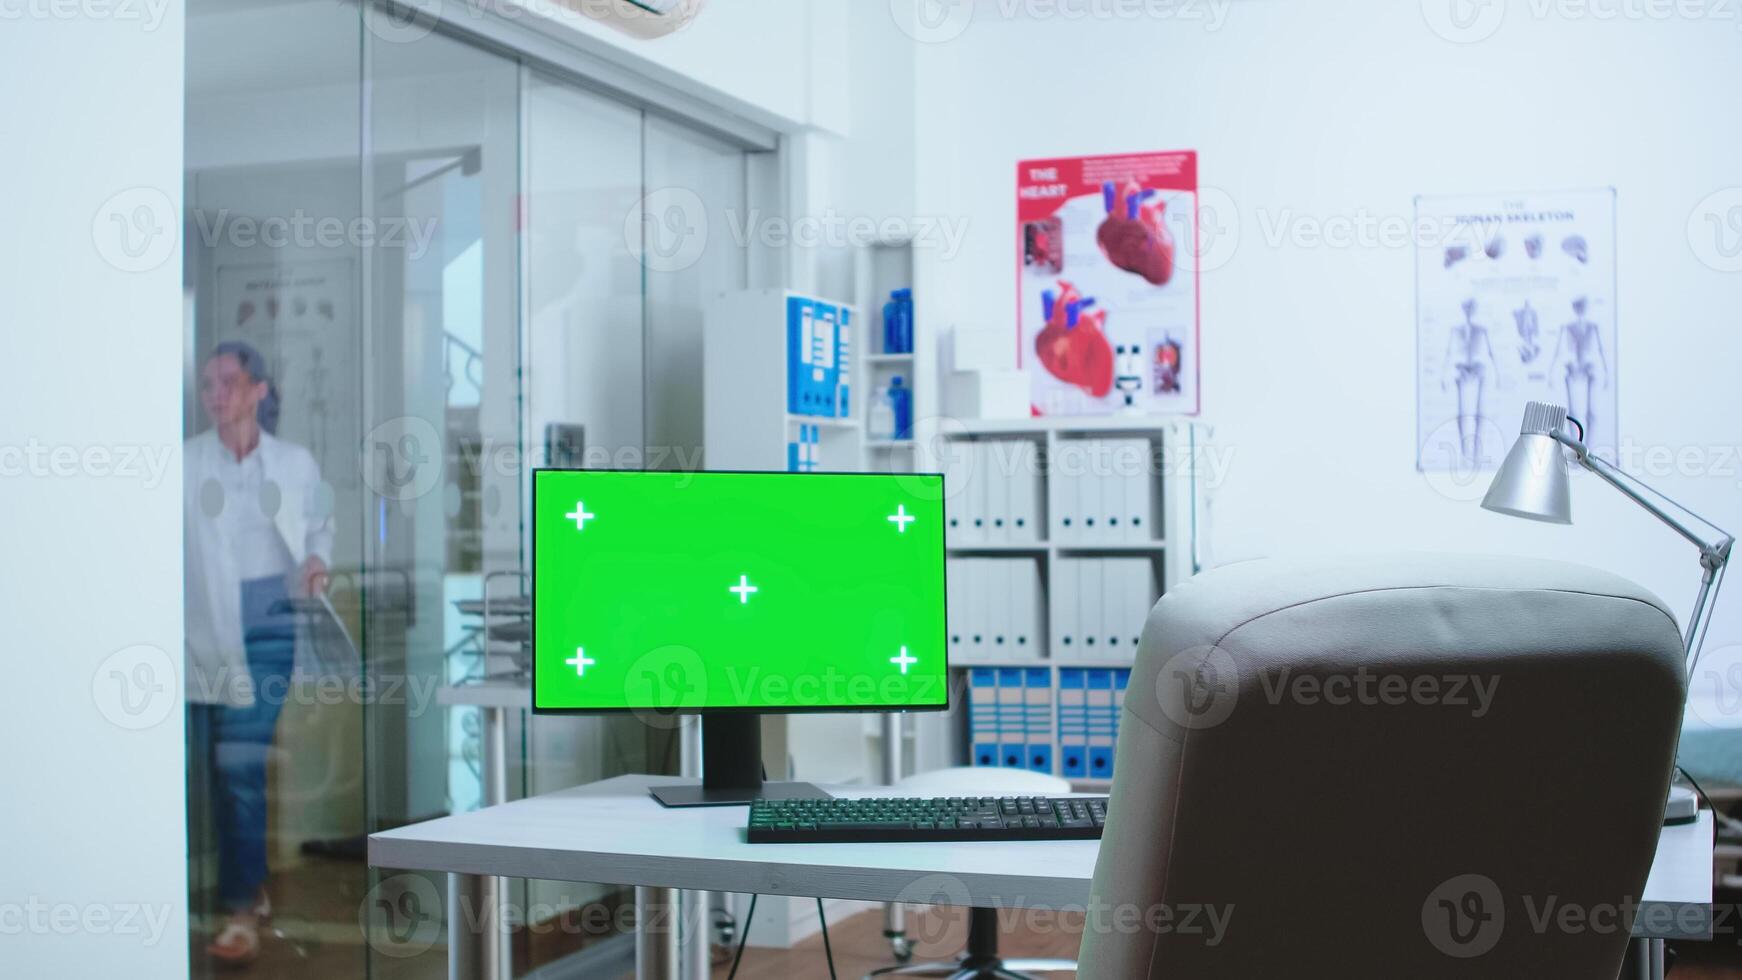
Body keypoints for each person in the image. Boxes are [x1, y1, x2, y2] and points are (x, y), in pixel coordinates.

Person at [184, 341, 332, 967]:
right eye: (208, 385)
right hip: (200, 628)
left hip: (270, 622)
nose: (216, 394)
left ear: (259, 389)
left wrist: (320, 559)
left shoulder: (295, 462)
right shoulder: (185, 462)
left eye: (228, 382)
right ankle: (232, 892)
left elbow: (319, 523)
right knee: (201, 772)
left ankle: (241, 909)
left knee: (239, 767)